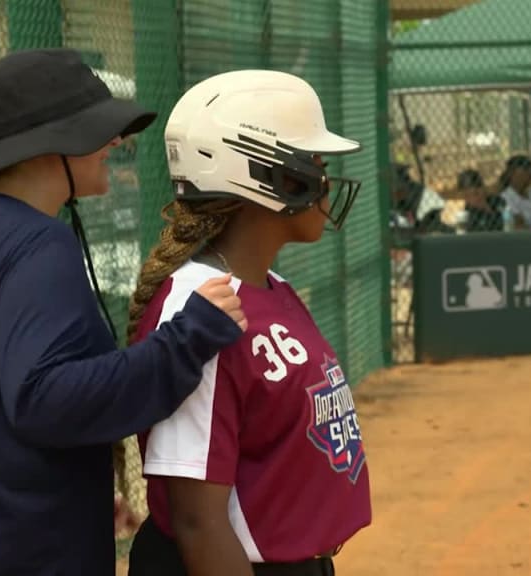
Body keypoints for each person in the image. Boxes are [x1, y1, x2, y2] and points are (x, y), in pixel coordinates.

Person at [0, 48, 249, 576]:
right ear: (45, 148)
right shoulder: (34, 243)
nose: (115, 141)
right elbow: (48, 398)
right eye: (95, 130)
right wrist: (190, 337)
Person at [124, 70, 372, 576]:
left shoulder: (270, 288)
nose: (327, 184)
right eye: (316, 167)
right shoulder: (202, 311)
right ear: (266, 178)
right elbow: (197, 522)